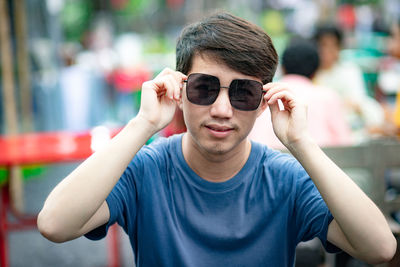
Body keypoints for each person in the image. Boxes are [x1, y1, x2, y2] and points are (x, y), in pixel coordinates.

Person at [37, 12, 396, 266]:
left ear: (262, 103)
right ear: (179, 89)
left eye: (243, 93)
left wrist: (301, 143)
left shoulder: (285, 177)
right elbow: (55, 224)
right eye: (204, 88)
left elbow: (380, 248)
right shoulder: (146, 169)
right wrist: (142, 124)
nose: (222, 109)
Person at [250, 39, 352, 149]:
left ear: (282, 68)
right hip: (314, 163)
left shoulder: (265, 94)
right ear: (316, 72)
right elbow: (345, 142)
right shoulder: (328, 96)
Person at [313, 24, 385, 143]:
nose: (327, 51)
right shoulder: (312, 74)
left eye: (333, 46)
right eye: (323, 46)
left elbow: (358, 101)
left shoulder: (349, 71)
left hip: (349, 127)